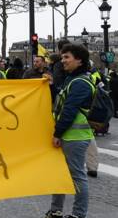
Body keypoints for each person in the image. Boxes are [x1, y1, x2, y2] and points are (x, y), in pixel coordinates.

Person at [46, 44, 94, 218]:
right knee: (59, 174)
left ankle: (78, 215)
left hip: (74, 137)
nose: (63, 60)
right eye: (62, 57)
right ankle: (56, 211)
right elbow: (61, 101)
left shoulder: (80, 83)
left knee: (77, 177)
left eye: (67, 57)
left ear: (79, 60)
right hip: (69, 135)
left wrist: (57, 134)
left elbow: (69, 111)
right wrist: (52, 86)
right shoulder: (72, 80)